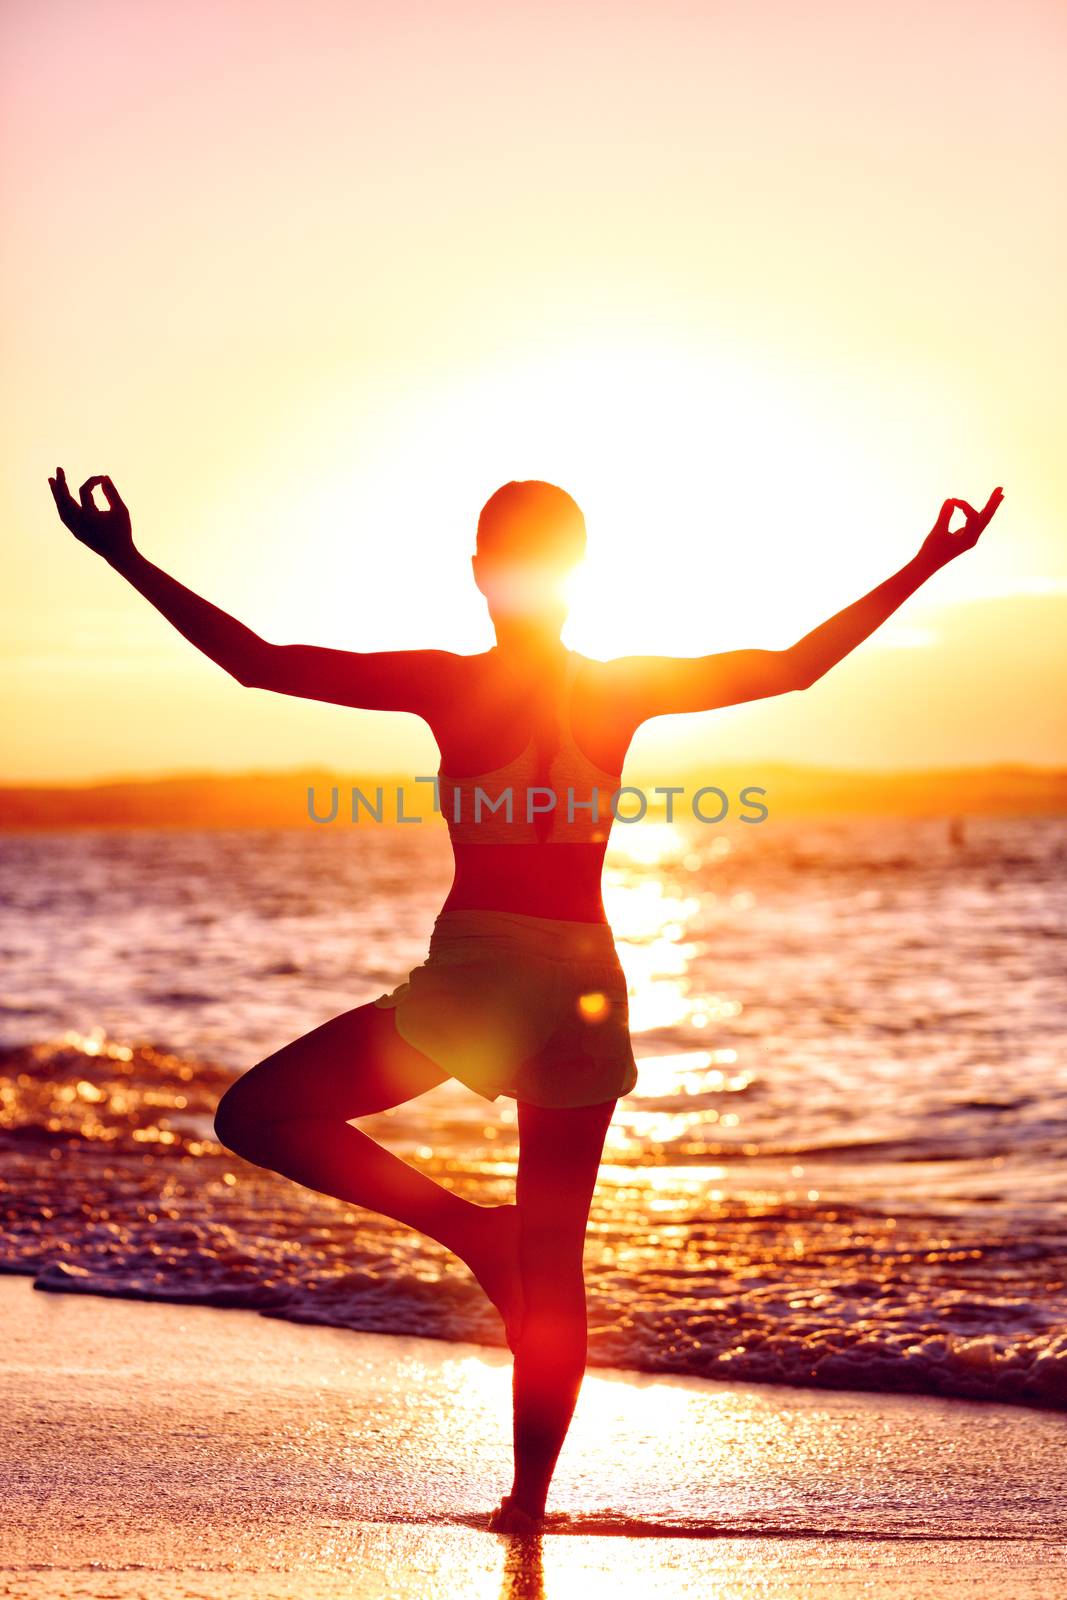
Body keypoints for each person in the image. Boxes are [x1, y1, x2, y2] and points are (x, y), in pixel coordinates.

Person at [47, 467, 1003, 1531]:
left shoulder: (452, 686)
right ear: (577, 579)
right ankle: (528, 1506)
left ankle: (466, 1236)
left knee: (257, 1114)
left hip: (481, 978)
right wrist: (925, 563)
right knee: (555, 1260)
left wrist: (126, 558)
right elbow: (791, 669)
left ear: (478, 575)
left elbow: (259, 666)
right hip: (589, 982)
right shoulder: (619, 688)